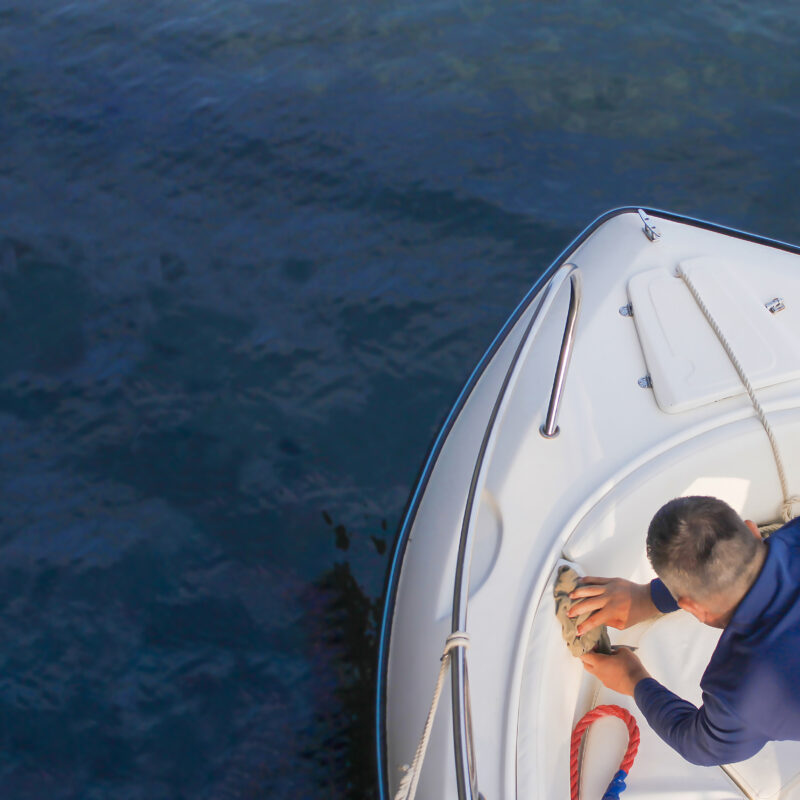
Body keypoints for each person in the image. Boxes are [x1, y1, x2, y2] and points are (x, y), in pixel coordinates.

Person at [568, 495, 800, 766]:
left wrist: (633, 678)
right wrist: (647, 598)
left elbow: (700, 745)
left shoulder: (740, 691)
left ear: (692, 608)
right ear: (751, 529)